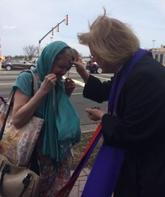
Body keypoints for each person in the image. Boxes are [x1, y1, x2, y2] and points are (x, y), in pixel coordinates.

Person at [74, 9, 165, 197]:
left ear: (110, 49)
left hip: (148, 172)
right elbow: (103, 90)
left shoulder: (145, 76)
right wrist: (83, 71)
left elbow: (131, 132)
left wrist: (103, 117)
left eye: (95, 54)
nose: (94, 59)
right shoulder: (132, 68)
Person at [12, 41, 81, 196]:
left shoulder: (58, 81)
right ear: (48, 61)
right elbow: (17, 120)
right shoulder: (27, 78)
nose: (63, 72)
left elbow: (55, 113)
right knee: (32, 190)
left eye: (67, 68)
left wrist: (66, 94)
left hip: (58, 153)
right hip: (33, 154)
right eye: (60, 66)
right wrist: (42, 90)